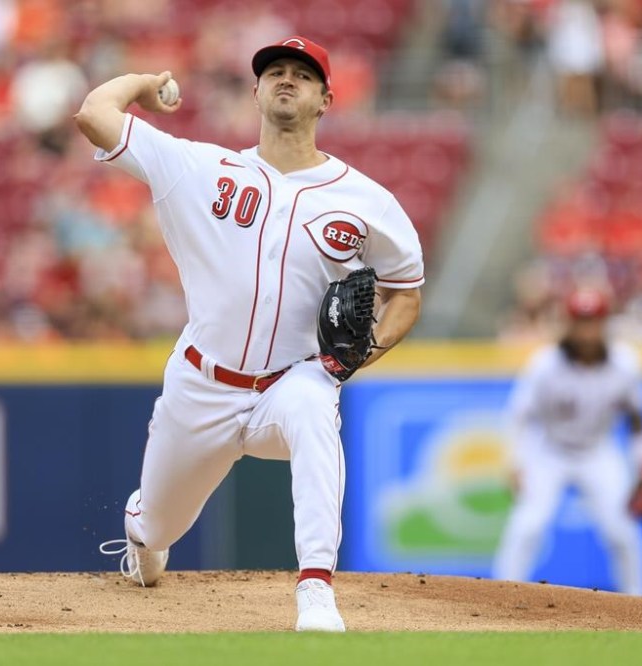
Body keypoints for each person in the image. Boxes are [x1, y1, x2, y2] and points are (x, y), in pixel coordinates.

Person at [74, 36, 424, 632]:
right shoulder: (200, 169)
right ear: (257, 91)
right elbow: (93, 116)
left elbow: (406, 293)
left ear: (326, 99)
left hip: (292, 381)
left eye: (304, 75)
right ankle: (143, 531)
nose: (288, 80)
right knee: (157, 528)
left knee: (317, 408)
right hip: (201, 384)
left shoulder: (367, 201)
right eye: (276, 72)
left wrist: (352, 360)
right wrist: (143, 80)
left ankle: (316, 591)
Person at [492, 288, 642, 596]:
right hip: (549, 450)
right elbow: (519, 417)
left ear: (604, 323)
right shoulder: (545, 365)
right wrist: (516, 462)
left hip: (597, 451)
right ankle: (503, 595)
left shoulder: (625, 364)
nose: (586, 330)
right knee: (528, 525)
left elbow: (637, 419)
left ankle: (640, 602)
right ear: (567, 323)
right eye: (580, 321)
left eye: (593, 321)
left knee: (621, 531)